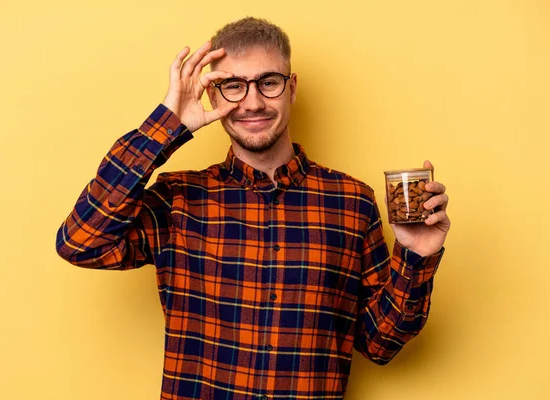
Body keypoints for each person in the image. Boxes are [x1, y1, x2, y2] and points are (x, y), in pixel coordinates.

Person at [56, 17, 450, 400]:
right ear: (212, 95)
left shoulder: (352, 201)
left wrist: (416, 257)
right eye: (232, 86)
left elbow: (380, 344)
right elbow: (81, 242)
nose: (253, 102)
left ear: (291, 87)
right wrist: (168, 125)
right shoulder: (178, 198)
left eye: (268, 82)